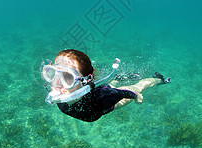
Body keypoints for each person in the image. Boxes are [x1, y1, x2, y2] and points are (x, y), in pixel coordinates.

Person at [41, 49, 171, 122]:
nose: (57, 84)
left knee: (138, 86)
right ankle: (119, 78)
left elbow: (124, 93)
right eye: (53, 74)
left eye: (68, 77)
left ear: (86, 81)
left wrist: (136, 95)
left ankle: (159, 80)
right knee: (108, 87)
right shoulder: (62, 97)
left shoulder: (102, 100)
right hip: (100, 90)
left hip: (109, 100)